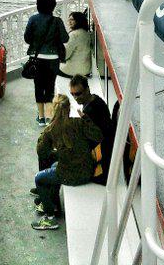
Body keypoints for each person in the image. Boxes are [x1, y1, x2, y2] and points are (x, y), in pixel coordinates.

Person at [31, 95, 103, 230]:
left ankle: (50, 217)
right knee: (54, 166)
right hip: (87, 169)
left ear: (54, 109)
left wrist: (45, 133)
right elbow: (98, 135)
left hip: (72, 175)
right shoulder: (78, 122)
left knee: (40, 178)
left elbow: (42, 153)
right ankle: (53, 204)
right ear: (69, 108)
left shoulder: (51, 130)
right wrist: (85, 118)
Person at [23, 0, 69, 125]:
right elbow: (65, 38)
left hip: (37, 58)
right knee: (50, 86)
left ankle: (41, 118)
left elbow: (27, 38)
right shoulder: (57, 21)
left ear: (38, 6)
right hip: (53, 58)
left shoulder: (33, 19)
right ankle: (49, 118)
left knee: (38, 86)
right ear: (52, 8)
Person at [68, 75, 113, 184]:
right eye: (72, 94)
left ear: (87, 89)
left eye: (78, 93)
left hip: (100, 163)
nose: (75, 97)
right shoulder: (95, 99)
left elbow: (93, 138)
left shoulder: (91, 110)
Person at [60, 11, 93, 78]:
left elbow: (65, 55)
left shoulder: (74, 34)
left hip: (72, 71)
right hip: (86, 70)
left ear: (79, 21)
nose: (69, 22)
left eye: (72, 20)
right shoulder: (87, 34)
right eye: (69, 20)